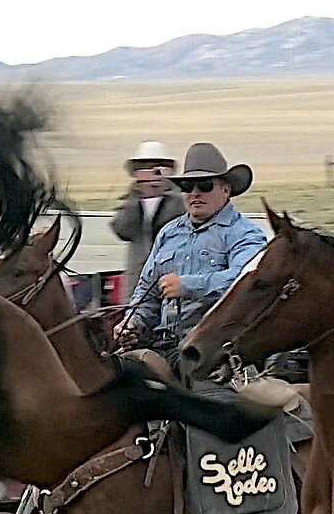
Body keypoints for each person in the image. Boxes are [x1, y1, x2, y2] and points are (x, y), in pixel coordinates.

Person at [114, 143, 266, 363]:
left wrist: (187, 285)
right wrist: (132, 323)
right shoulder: (168, 233)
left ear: (226, 190)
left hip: (213, 350)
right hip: (163, 345)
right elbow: (147, 291)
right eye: (187, 186)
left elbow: (245, 282)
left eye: (205, 185)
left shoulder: (245, 234)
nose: (195, 193)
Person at [111, 141, 187, 283]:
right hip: (137, 281)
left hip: (172, 280)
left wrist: (167, 189)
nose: (154, 172)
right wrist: (137, 197)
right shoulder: (132, 201)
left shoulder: (180, 200)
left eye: (159, 167)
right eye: (146, 167)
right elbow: (121, 230)